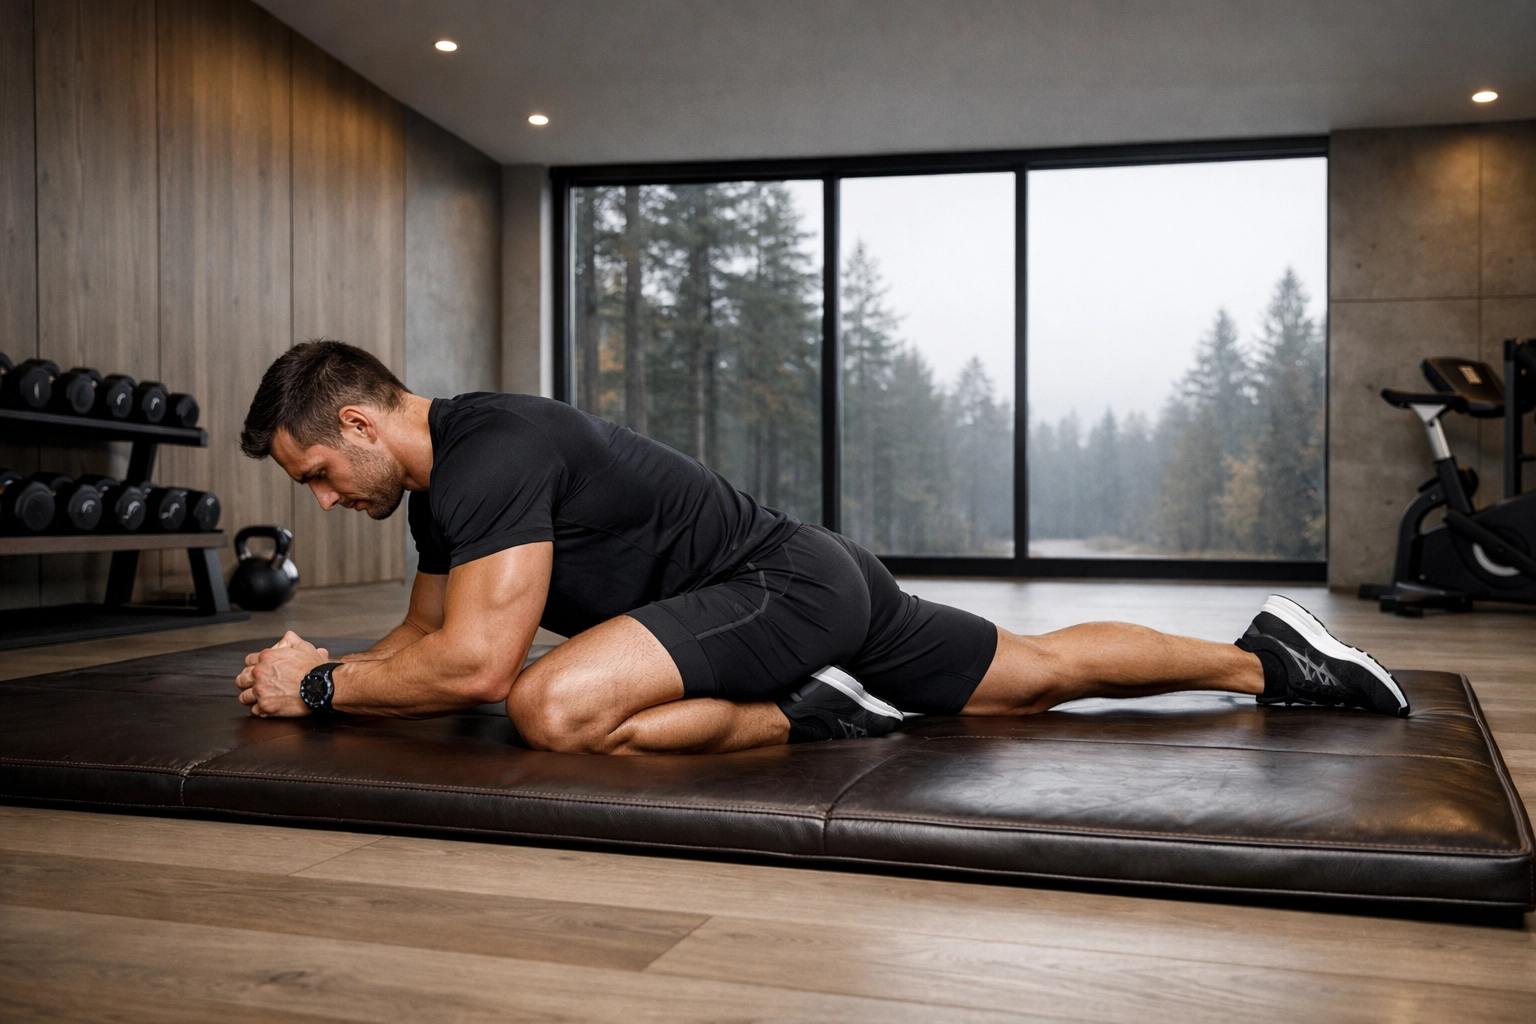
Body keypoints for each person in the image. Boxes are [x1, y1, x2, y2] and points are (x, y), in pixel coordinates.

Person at [234, 341, 1408, 754]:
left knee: (554, 707)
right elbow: (426, 641)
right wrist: (324, 671)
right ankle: (1266, 660)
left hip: (774, 589)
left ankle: (810, 708)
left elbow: (480, 672)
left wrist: (324, 689)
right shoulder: (444, 490)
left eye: (321, 475)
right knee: (1030, 677)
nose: (328, 501)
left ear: (360, 421)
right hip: (811, 576)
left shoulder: (492, 452)